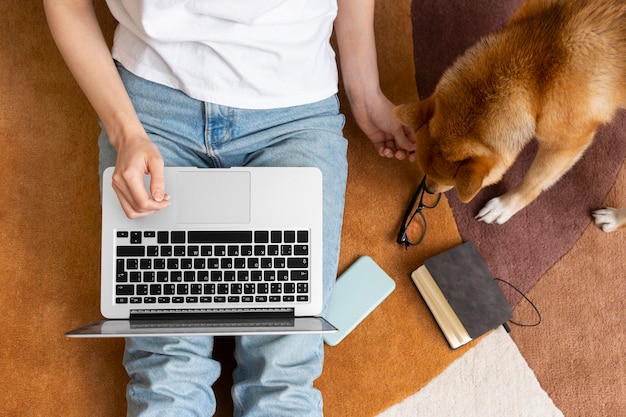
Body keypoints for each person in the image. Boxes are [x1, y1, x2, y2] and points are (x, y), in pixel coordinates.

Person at [44, 0, 416, 415]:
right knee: (168, 367)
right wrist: (125, 132)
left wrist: (365, 93)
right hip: (150, 110)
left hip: (294, 113)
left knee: (283, 368)